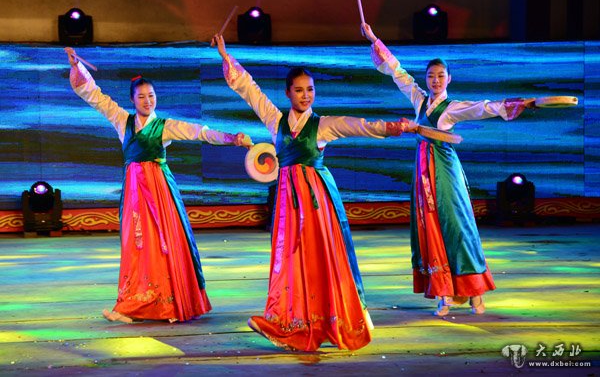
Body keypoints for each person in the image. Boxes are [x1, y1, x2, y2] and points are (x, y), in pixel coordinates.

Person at [212, 34, 417, 351]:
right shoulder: (276, 120)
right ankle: (288, 318)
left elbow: (360, 125)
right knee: (288, 258)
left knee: (318, 257)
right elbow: (250, 91)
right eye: (299, 90)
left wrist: (397, 127)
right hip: (287, 203)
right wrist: (225, 56)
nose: (305, 95)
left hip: (315, 203)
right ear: (287, 93)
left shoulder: (322, 125)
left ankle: (323, 320)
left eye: (310, 89)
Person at [65, 47, 252, 324]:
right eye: (141, 96)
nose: (147, 101)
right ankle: (131, 303)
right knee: (136, 245)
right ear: (132, 100)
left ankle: (171, 303)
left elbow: (198, 132)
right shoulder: (122, 120)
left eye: (151, 95)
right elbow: (95, 96)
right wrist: (76, 67)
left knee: (165, 243)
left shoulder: (164, 126)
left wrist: (231, 138)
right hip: (134, 193)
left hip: (159, 192)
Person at [361, 23, 535, 317]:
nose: (435, 80)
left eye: (441, 75)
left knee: (457, 225)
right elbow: (397, 72)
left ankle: (475, 291)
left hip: (445, 171)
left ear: (449, 79)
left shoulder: (453, 107)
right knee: (431, 228)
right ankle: (444, 294)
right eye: (431, 75)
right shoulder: (419, 99)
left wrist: (522, 103)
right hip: (423, 171)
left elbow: (485, 107)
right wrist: (374, 38)